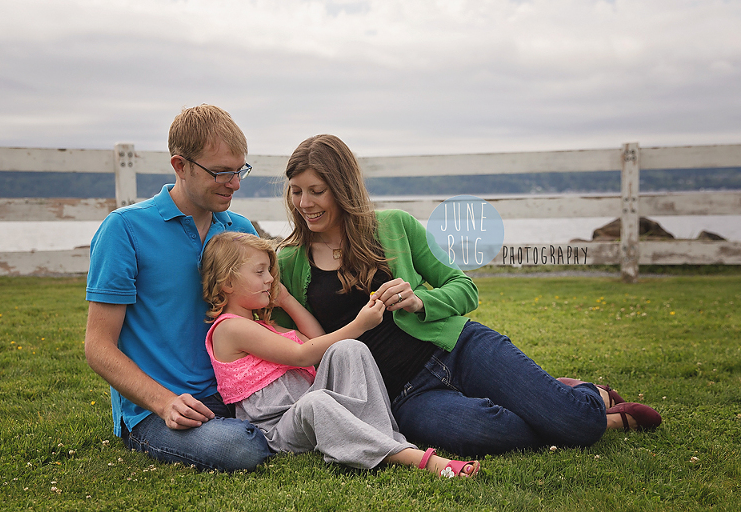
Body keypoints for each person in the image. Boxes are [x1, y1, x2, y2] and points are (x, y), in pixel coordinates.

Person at [274, 134, 662, 456]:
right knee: (493, 433)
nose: (305, 204)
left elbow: (464, 287)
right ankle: (560, 399)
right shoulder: (289, 262)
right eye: (296, 192)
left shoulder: (394, 226)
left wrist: (420, 302)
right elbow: (288, 343)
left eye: (316, 191)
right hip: (406, 397)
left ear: (342, 188)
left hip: (459, 349)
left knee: (578, 424)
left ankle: (586, 399)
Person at [84, 105, 273, 471]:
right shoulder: (124, 229)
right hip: (158, 411)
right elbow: (98, 347)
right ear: (180, 166)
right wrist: (164, 402)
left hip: (236, 393)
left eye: (239, 171)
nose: (234, 184)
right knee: (240, 447)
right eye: (220, 172)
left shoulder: (240, 229)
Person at [200, 232, 479, 478]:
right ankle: (413, 458)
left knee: (348, 348)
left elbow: (317, 341)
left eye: (269, 272)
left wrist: (286, 299)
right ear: (227, 282)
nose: (271, 278)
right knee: (315, 401)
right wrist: (359, 325)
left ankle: (382, 437)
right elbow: (302, 354)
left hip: (309, 411)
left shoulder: (264, 326)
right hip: (277, 430)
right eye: (260, 272)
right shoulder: (230, 328)